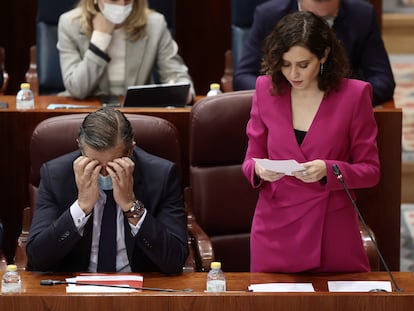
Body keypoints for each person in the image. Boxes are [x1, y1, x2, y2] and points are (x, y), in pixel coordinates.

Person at [242, 11, 380, 273]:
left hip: (331, 232)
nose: (293, 74)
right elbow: (250, 162)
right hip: (275, 231)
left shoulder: (355, 95)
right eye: (285, 64)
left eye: (303, 65)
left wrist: (328, 170)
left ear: (324, 55)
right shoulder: (265, 89)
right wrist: (259, 170)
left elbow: (371, 171)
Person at [26, 108, 188, 274]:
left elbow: (175, 260)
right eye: (94, 164)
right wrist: (81, 207)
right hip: (75, 290)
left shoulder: (161, 176)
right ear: (80, 148)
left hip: (141, 288)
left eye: (113, 165)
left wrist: (131, 206)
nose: (103, 174)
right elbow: (38, 258)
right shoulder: (56, 176)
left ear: (131, 150)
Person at [233, 0, 395, 106]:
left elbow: (383, 80)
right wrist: (284, 95)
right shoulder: (268, 15)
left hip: (340, 111)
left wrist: (340, 98)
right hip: (283, 109)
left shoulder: (362, 15)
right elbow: (243, 77)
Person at [57, 0, 194, 102]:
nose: (122, 5)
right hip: (88, 112)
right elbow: (76, 89)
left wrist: (182, 91)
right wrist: (100, 40)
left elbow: (178, 75)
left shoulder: (155, 24)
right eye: (115, 0)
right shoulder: (70, 23)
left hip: (137, 114)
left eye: (128, 0)